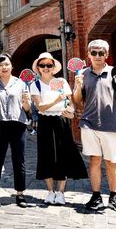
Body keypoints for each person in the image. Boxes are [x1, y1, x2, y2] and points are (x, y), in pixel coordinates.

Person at [71, 40, 116, 213]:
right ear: (89, 54)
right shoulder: (83, 74)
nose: (97, 56)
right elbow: (77, 100)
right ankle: (96, 195)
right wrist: (78, 85)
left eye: (101, 53)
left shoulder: (115, 72)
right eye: (94, 53)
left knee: (111, 162)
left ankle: (114, 196)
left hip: (111, 123)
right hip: (89, 123)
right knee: (94, 160)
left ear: (106, 55)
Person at [29, 52, 88, 206]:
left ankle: (61, 192)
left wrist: (70, 111)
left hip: (60, 120)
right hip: (44, 121)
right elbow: (39, 106)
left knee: (63, 154)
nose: (46, 68)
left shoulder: (61, 82)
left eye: (49, 65)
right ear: (38, 68)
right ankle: (50, 191)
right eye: (43, 65)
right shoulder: (35, 85)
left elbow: (70, 102)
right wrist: (56, 100)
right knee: (46, 155)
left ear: (54, 67)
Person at [0, 53, 31, 209]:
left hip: (18, 124)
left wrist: (27, 103)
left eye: (6, 64)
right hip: (0, 125)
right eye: (0, 65)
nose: (4, 67)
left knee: (19, 160)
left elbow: (27, 109)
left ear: (12, 66)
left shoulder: (21, 84)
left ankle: (20, 194)